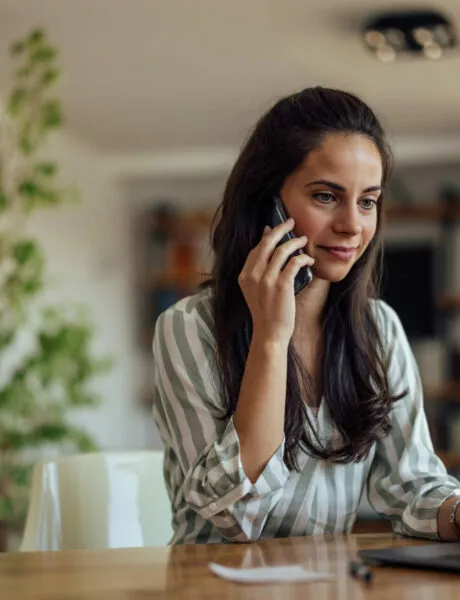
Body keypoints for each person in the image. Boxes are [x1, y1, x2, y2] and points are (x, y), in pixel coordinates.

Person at [152, 87, 460, 545]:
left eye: (367, 201)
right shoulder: (188, 328)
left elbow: (413, 486)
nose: (353, 226)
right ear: (266, 203)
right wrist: (272, 340)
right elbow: (235, 517)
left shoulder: (378, 329)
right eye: (325, 196)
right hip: (212, 586)